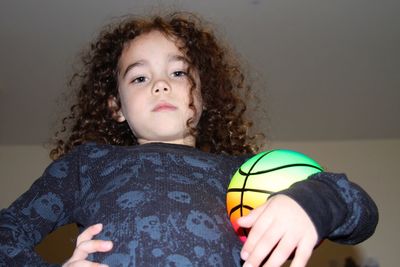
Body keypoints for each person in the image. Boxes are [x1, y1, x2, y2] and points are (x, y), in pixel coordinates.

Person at [0, 12, 378, 267]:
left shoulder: (242, 173)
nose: (161, 83)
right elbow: (8, 232)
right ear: (117, 107)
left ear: (204, 94)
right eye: (139, 78)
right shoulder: (87, 164)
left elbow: (360, 212)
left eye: (179, 72)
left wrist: (310, 204)